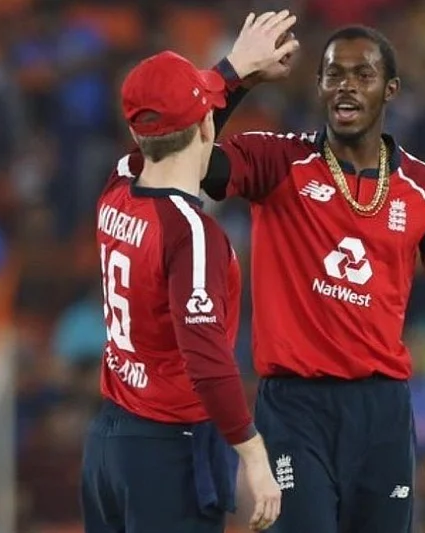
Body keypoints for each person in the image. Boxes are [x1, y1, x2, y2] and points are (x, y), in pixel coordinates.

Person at [205, 25, 425, 532]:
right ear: (319, 86)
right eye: (334, 74)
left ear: (390, 89)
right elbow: (183, 158)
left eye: (363, 74)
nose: (346, 85)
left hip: (382, 412)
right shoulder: (276, 161)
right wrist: (237, 79)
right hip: (295, 409)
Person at [80, 12, 300, 533]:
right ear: (206, 126)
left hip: (109, 444)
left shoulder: (118, 183)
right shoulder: (192, 234)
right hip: (168, 456)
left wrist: (235, 71)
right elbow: (206, 359)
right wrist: (253, 454)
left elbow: (178, 136)